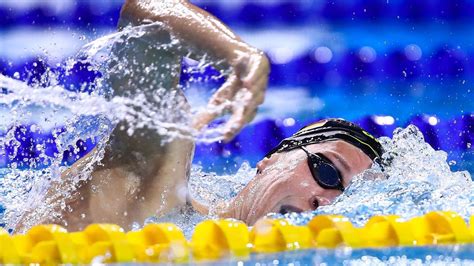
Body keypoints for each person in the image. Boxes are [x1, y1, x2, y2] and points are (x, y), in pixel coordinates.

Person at [15, 0, 382, 231]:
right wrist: (241, 56)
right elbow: (145, 16)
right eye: (328, 171)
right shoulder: (159, 181)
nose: (326, 202)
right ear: (269, 161)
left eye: (345, 200)